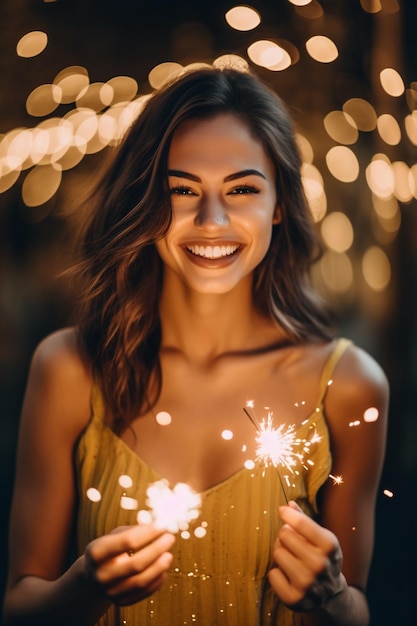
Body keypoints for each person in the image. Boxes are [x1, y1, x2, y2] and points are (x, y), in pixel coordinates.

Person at [3, 67, 388, 626]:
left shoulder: (350, 385)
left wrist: (331, 599)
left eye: (242, 190)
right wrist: (85, 587)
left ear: (279, 203)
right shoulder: (70, 369)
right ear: (146, 200)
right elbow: (18, 607)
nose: (211, 220)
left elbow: (358, 608)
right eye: (182, 190)